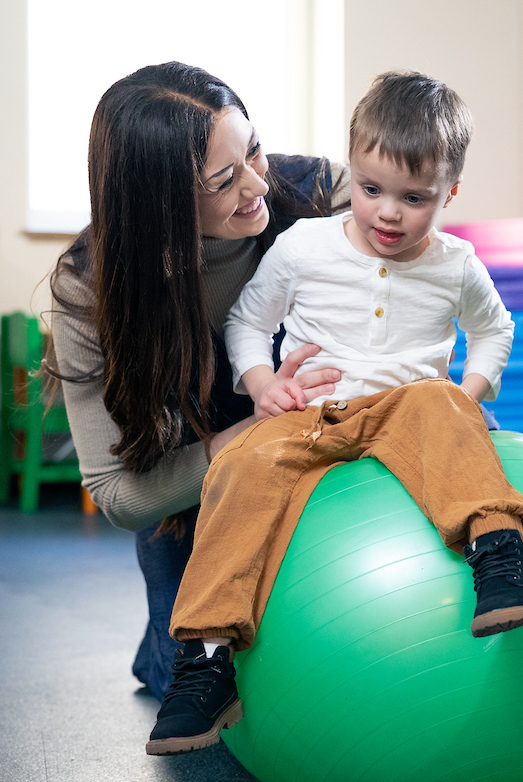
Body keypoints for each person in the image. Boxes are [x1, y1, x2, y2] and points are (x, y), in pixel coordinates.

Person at [145, 70, 523, 756]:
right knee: (241, 462)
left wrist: (472, 391)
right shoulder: (304, 246)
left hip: (406, 407)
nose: (388, 213)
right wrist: (261, 383)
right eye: (371, 190)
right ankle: (209, 657)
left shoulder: (456, 263)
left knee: (437, 400)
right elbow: (248, 319)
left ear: (449, 193)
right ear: (353, 174)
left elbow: (495, 328)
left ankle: (499, 556)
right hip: (313, 412)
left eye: (414, 198)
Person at [47, 62, 350, 703]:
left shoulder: (323, 193)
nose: (258, 183)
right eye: (222, 179)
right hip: (202, 490)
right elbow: (118, 493)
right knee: (197, 677)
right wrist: (251, 433)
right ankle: (159, 643)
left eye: (255, 149)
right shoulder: (90, 286)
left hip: (336, 453)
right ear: (159, 202)